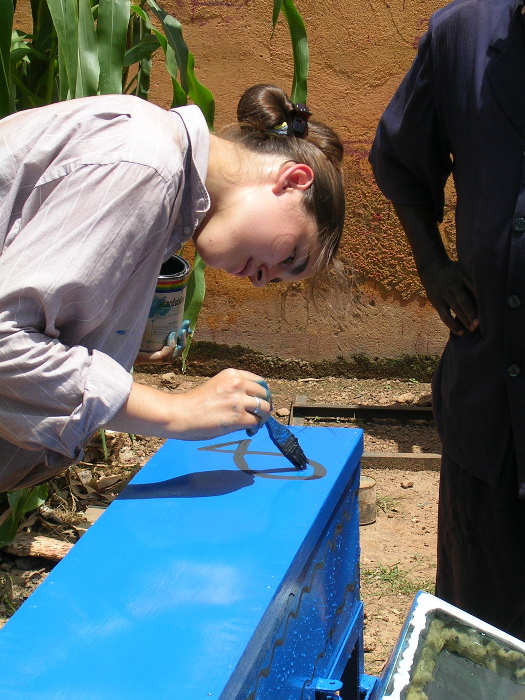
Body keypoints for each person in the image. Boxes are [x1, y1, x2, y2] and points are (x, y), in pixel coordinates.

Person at [0, 83, 345, 493]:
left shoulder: (161, 171)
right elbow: (6, 340)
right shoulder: (145, 164)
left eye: (276, 280)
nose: (261, 278)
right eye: (290, 256)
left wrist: (112, 345)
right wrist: (175, 411)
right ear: (292, 179)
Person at [369, 0, 525, 640]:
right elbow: (400, 159)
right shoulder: (461, 36)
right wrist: (432, 266)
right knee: (478, 636)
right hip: (490, 413)